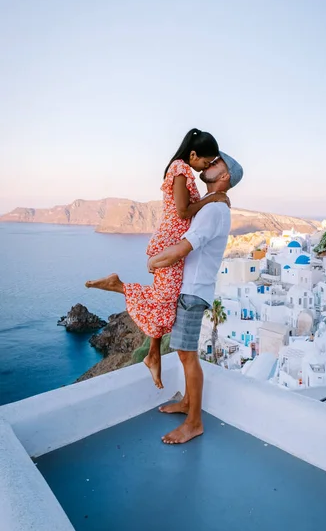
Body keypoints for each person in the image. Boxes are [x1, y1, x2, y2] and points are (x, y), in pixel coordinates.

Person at [85, 129, 229, 389]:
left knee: (165, 302)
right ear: (193, 154)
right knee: (164, 305)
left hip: (171, 244)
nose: (204, 167)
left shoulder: (181, 170)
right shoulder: (181, 170)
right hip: (170, 246)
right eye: (205, 162)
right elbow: (183, 210)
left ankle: (153, 356)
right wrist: (212, 199)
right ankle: (118, 286)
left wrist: (209, 199)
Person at [150, 152, 243, 444]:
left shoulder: (215, 211)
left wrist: (154, 261)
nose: (210, 165)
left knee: (188, 356)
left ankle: (194, 423)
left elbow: (184, 248)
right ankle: (188, 403)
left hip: (193, 291)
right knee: (182, 352)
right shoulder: (212, 206)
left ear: (225, 176)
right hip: (191, 288)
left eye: (217, 164)